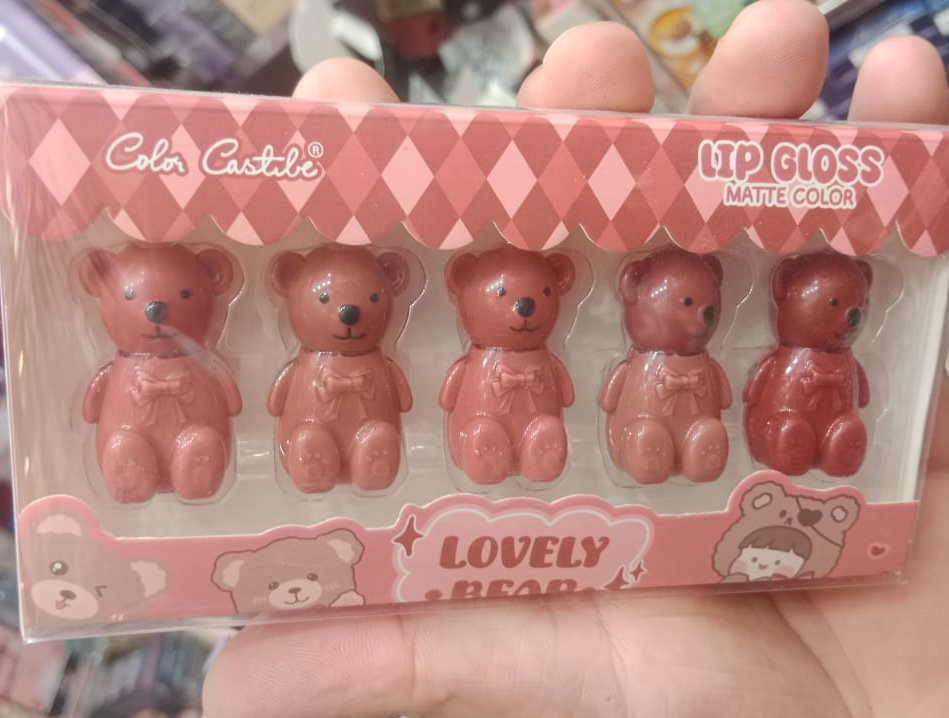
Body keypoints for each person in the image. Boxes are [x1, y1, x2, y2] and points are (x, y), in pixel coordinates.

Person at [204, 1, 949, 715]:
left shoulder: (731, 353)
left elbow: (716, 388)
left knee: (594, 429)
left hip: (836, 580)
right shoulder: (458, 353)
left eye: (704, 306)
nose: (702, 317)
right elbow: (388, 391)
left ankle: (654, 443)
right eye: (686, 304)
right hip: (452, 426)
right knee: (386, 431)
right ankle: (443, 445)